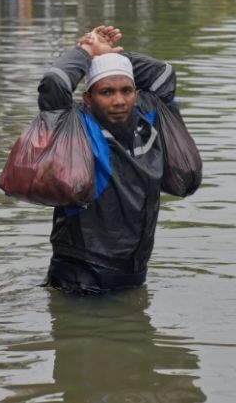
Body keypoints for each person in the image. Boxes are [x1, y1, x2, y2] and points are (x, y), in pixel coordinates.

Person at [37, 25, 192, 293]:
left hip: (134, 269)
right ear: (88, 98)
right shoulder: (75, 126)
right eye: (106, 92)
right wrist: (85, 52)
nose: (119, 100)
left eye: (126, 90)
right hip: (82, 272)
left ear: (136, 94)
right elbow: (54, 83)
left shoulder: (147, 117)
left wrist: (108, 55)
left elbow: (163, 73)